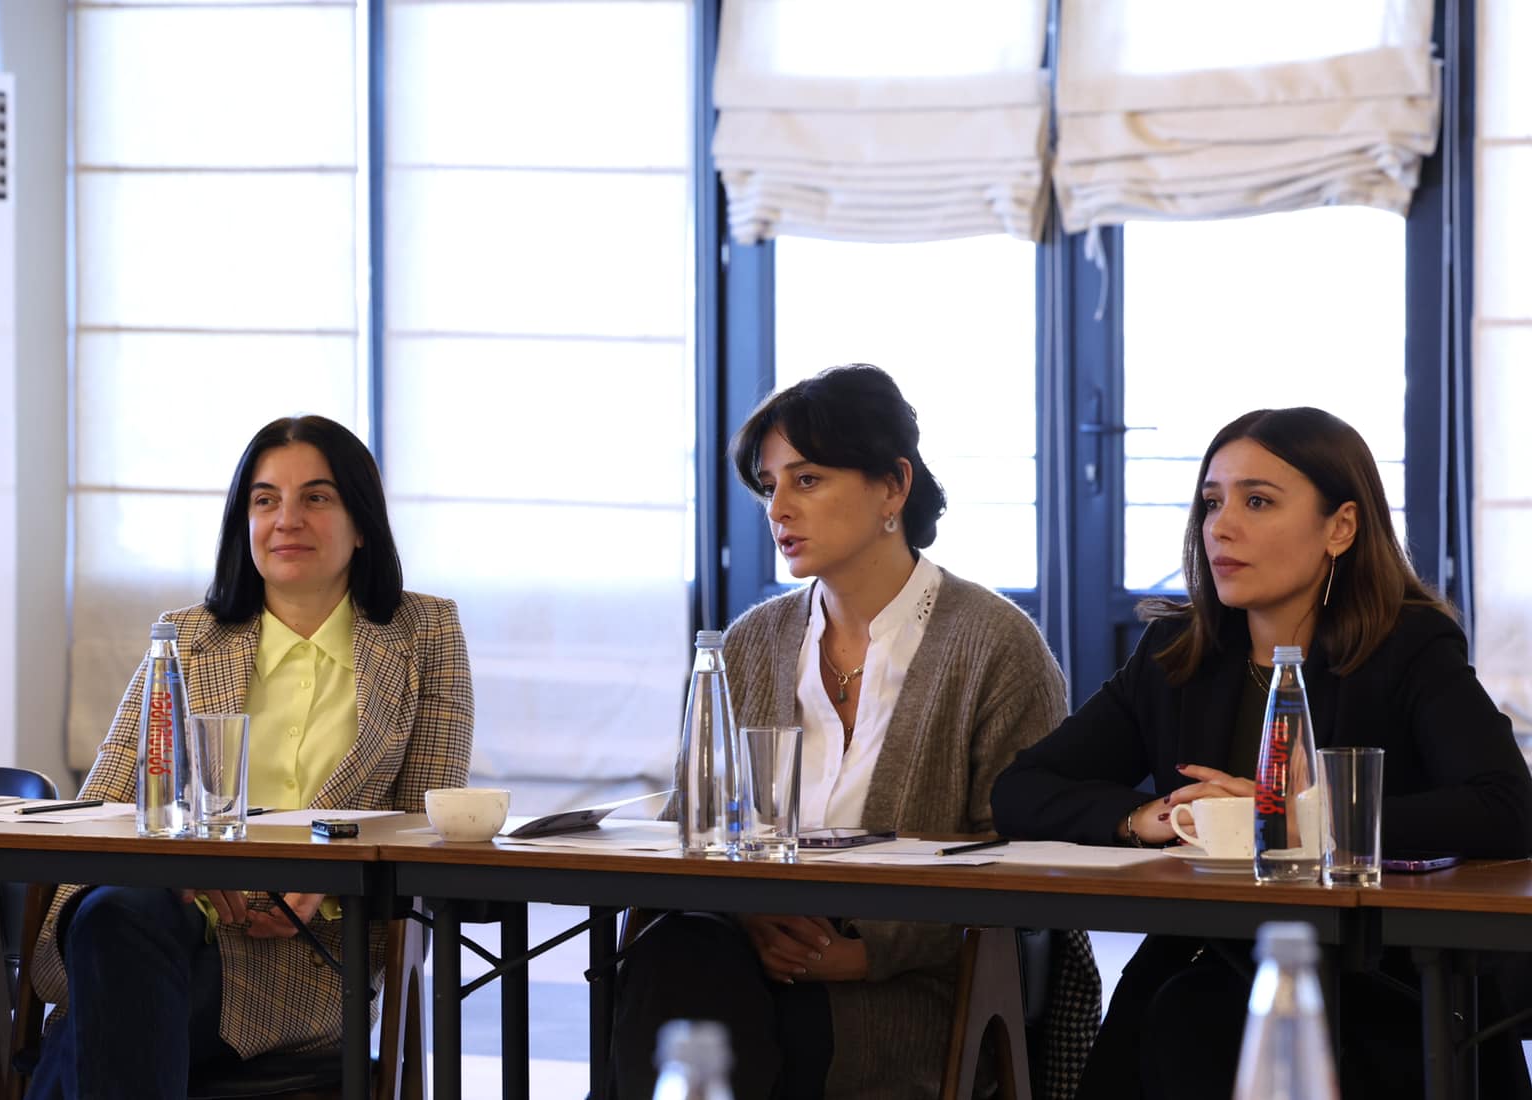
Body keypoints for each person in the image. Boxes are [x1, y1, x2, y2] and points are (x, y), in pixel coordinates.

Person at [991, 407, 1532, 1099]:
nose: (1221, 526)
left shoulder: (1409, 649)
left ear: (1340, 527)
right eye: (1212, 502)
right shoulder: (1175, 655)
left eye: (1257, 502)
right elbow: (1022, 788)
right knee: (1184, 1019)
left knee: (1196, 1026)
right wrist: (1152, 817)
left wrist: (1295, 820)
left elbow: (1506, 808)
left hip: (1377, 988)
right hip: (1202, 963)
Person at [612, 366, 1084, 1100]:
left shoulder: (996, 645)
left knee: (703, 1001)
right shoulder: (751, 642)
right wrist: (751, 916)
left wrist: (865, 954)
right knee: (676, 954)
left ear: (893, 487)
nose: (779, 509)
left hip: (902, 993)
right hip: (738, 955)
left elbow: (1024, 862)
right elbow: (694, 824)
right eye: (769, 486)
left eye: (807, 480)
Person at [26, 415, 474, 1099]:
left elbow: (430, 822)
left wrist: (329, 872)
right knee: (116, 916)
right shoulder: (185, 637)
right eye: (266, 500)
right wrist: (187, 863)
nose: (287, 519)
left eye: (316, 497)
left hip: (310, 955)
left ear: (361, 524)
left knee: (102, 1014)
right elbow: (107, 806)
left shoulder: (425, 634)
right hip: (160, 921)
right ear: (245, 523)